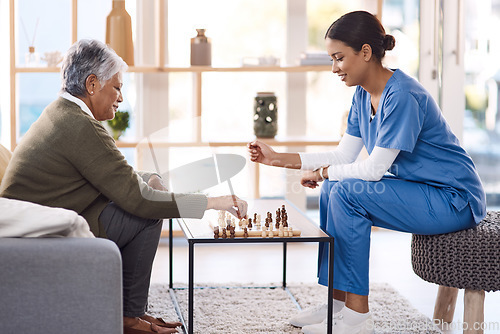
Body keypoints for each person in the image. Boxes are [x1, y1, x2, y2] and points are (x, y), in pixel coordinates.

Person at [248, 10, 486, 334]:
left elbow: (373, 169)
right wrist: (278, 158)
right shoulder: (362, 94)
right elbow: (343, 154)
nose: (334, 68)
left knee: (345, 189)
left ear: (365, 52)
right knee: (336, 188)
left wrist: (323, 173)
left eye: (339, 58)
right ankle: (337, 304)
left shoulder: (401, 95)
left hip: (454, 199)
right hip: (423, 190)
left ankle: (357, 319)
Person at [0, 39, 248, 334]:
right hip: (41, 234)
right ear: (92, 84)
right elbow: (140, 201)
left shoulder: (62, 113)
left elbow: (106, 171)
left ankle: (131, 312)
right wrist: (213, 202)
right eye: (116, 87)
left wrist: (146, 178)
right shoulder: (81, 126)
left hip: (41, 219)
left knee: (143, 198)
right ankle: (128, 317)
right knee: (147, 214)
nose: (120, 98)